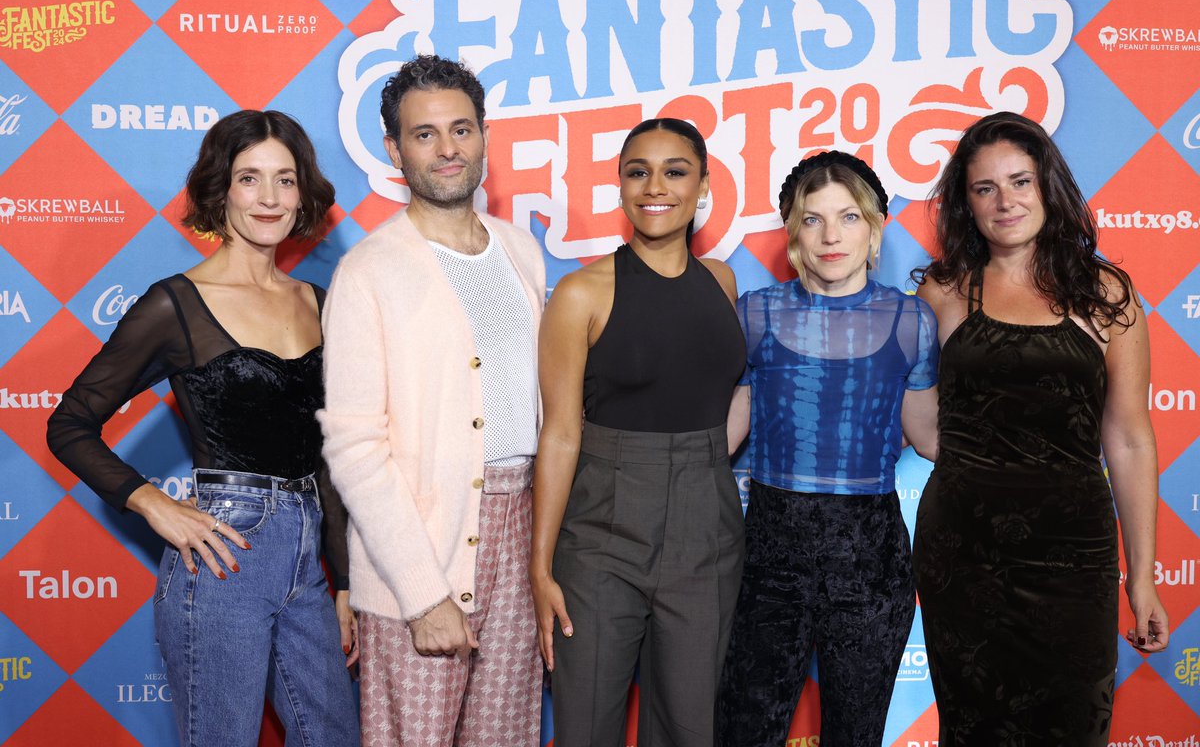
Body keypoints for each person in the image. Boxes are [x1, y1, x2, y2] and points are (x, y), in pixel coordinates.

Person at [46, 110, 360, 746]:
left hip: (307, 560)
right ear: (221, 190)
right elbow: (69, 424)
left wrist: (345, 580)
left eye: (285, 180)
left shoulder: (318, 302)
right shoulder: (175, 304)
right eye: (250, 179)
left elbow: (326, 457)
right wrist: (153, 503)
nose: (269, 198)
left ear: (304, 194)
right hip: (222, 559)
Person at [912, 111, 1170, 745]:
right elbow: (920, 420)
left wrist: (1142, 578)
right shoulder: (943, 292)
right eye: (985, 188)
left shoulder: (1107, 294)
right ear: (964, 204)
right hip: (963, 555)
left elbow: (1131, 440)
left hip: (1073, 558)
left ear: (1048, 186)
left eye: (1020, 181)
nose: (1006, 202)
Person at [318, 54, 545, 747]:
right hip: (421, 548)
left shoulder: (519, 251)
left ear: (483, 135)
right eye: (425, 135)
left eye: (462, 129)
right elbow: (355, 447)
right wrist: (422, 593)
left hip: (522, 525)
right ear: (394, 148)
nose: (448, 150)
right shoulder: (369, 271)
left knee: (505, 737)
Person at [530, 117, 745, 746]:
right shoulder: (580, 293)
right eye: (637, 171)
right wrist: (540, 568)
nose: (656, 186)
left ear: (703, 185)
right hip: (601, 531)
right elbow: (561, 434)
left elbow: (718, 399)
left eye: (675, 171)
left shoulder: (723, 283)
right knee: (587, 722)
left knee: (689, 726)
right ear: (620, 185)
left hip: (706, 527)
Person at [715, 151, 939, 747]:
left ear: (874, 227)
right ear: (794, 231)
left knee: (856, 735)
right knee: (743, 730)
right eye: (812, 219)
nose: (831, 235)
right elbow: (722, 435)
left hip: (871, 559)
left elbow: (931, 438)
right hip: (768, 556)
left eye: (848, 217)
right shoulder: (756, 314)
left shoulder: (912, 320)